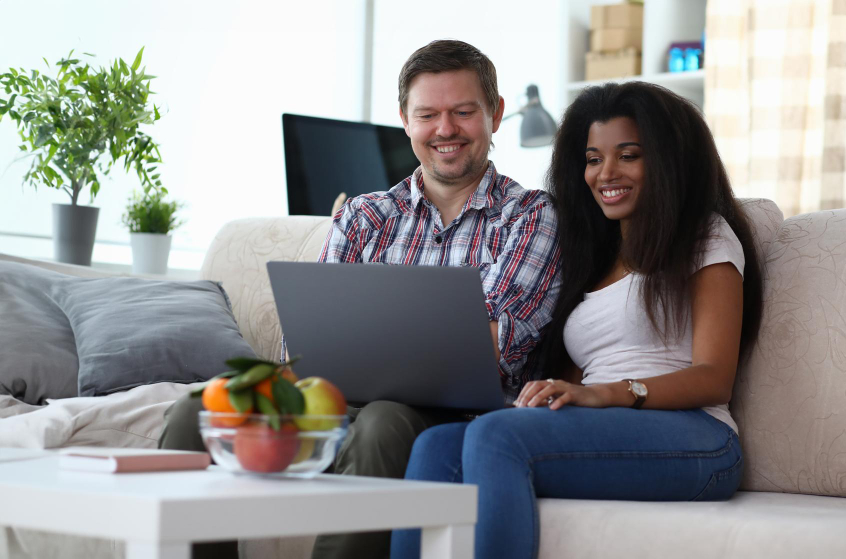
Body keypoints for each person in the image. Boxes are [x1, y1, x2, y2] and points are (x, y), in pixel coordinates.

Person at [157, 39, 561, 559]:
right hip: (336, 401)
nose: (445, 129)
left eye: (463, 112)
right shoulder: (364, 216)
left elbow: (496, 349)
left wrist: (369, 342)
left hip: (454, 418)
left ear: (495, 114)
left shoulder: (530, 216)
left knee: (383, 421)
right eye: (428, 115)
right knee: (197, 411)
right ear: (405, 120)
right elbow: (306, 345)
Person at [390, 81, 763, 559]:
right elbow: (574, 371)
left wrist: (606, 394)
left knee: (496, 436)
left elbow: (715, 378)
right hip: (605, 424)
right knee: (435, 446)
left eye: (628, 156)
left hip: (698, 437)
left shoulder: (705, 237)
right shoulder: (593, 255)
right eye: (593, 159)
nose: (606, 173)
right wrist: (553, 396)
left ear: (669, 161)